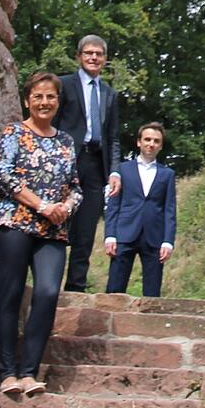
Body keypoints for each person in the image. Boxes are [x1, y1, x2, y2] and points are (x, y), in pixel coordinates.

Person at [0, 72, 82, 394]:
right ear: (27, 100)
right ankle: (7, 374)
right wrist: (42, 204)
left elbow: (75, 187)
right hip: (13, 223)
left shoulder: (67, 141)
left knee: (46, 293)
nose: (44, 102)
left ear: (58, 101)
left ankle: (30, 373)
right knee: (11, 294)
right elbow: (4, 175)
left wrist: (65, 207)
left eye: (51, 97)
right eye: (38, 96)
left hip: (52, 232)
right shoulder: (14, 132)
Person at [52, 34, 122, 292]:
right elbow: (53, 124)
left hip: (95, 165)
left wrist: (115, 171)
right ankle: (49, 285)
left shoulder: (110, 94)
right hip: (66, 162)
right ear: (79, 56)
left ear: (105, 59)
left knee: (86, 229)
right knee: (58, 223)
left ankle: (76, 287)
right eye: (89, 53)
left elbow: (113, 136)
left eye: (99, 54)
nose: (94, 58)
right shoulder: (63, 85)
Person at [104, 122, 176, 297]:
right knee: (114, 289)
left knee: (152, 293)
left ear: (160, 145)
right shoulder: (122, 170)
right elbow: (113, 205)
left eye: (156, 141)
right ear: (139, 142)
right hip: (124, 233)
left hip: (154, 237)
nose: (151, 144)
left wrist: (168, 241)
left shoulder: (167, 174)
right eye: (147, 139)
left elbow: (170, 210)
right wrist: (110, 235)